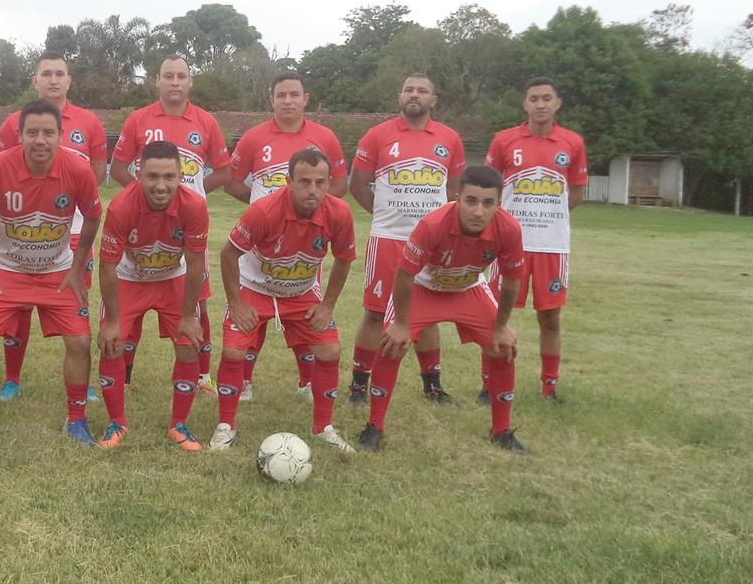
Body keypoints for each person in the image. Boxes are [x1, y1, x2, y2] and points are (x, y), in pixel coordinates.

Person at [357, 165, 528, 454]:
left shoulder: (509, 229)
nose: (478, 211)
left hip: (468, 288)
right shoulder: (433, 224)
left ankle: (501, 431)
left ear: (499, 204)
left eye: (488, 203)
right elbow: (404, 275)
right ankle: (374, 426)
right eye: (471, 201)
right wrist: (400, 323)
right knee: (392, 343)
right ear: (457, 198)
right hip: (425, 287)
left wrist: (501, 326)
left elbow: (511, 282)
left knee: (503, 348)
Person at [0, 99, 103, 443]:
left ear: (60, 135)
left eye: (48, 133)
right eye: (32, 133)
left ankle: (76, 418)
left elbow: (94, 215)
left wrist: (75, 265)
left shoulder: (78, 170)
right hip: (5, 271)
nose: (40, 140)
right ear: (19, 135)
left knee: (81, 341)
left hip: (57, 272)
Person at [217, 148, 356, 452]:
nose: (313, 190)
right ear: (288, 181)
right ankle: (225, 426)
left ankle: (323, 427)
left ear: (330, 183)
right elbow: (228, 254)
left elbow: (344, 260)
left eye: (320, 183)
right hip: (255, 287)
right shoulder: (264, 211)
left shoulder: (339, 213)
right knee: (234, 351)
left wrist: (327, 305)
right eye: (304, 182)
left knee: (330, 350)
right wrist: (237, 304)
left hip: (301, 292)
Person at [0, 51, 108, 402]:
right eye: (47, 74)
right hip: (24, 232)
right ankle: (12, 378)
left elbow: (98, 172)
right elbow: (3, 171)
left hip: (71, 229)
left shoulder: (89, 122)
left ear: (69, 80)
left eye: (60, 74)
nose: (54, 80)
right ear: (35, 80)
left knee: (75, 301)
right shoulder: (14, 123)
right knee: (19, 305)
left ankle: (82, 383)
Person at [111, 55, 231, 395]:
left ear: (191, 82)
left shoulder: (206, 122)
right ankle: (126, 372)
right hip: (142, 224)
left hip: (188, 226)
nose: (175, 81)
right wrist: (144, 198)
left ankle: (202, 377)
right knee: (129, 296)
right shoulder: (138, 119)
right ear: (157, 81)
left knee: (199, 302)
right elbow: (119, 168)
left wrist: (186, 196)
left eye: (181, 76)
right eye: (168, 76)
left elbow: (224, 171)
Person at [225, 69, 347, 401]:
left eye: (294, 95)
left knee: (305, 311)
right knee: (255, 309)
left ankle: (307, 381)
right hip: (262, 238)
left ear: (306, 99)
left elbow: (338, 184)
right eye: (281, 95)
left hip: (306, 242)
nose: (288, 101)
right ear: (272, 100)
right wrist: (259, 205)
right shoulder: (253, 137)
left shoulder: (325, 137)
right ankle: (245, 380)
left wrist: (317, 208)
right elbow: (232, 180)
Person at [348, 74, 465, 405]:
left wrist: (438, 226)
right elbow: (357, 185)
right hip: (388, 240)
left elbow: (454, 191)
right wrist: (386, 215)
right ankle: (359, 385)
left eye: (422, 91)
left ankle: (433, 385)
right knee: (374, 312)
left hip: (432, 245)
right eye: (409, 90)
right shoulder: (378, 135)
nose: (415, 95)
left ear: (434, 99)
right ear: (400, 96)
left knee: (425, 313)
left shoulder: (450, 139)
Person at [96, 140, 209, 450]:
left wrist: (188, 316)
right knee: (112, 343)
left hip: (172, 278)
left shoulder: (195, 206)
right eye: (152, 177)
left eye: (169, 177)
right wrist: (113, 321)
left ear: (180, 176)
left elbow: (196, 262)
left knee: (188, 347)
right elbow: (107, 266)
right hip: (129, 278)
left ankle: (179, 425)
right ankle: (117, 423)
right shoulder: (121, 206)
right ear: (138, 173)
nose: (161, 186)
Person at [484, 77, 587, 403]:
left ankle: (549, 387)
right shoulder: (504, 140)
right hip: (509, 244)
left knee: (551, 317)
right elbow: (490, 189)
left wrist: (548, 216)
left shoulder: (572, 142)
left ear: (558, 103)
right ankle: (489, 385)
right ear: (525, 104)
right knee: (495, 315)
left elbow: (576, 193)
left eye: (546, 98)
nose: (540, 104)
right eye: (534, 98)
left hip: (551, 246)